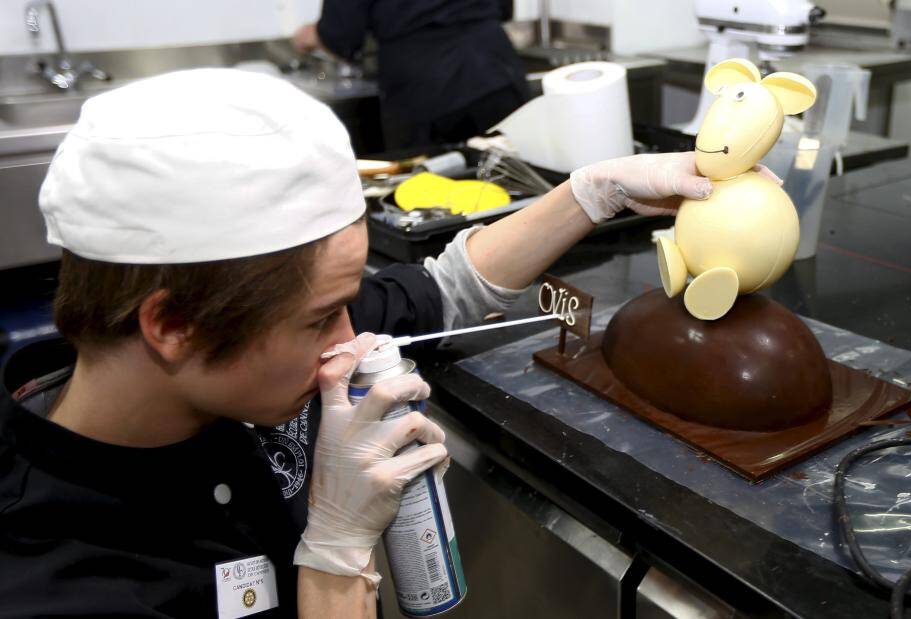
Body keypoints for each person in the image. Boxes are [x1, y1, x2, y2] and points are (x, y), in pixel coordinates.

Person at [0, 68, 771, 618]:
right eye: (321, 318)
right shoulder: (62, 582)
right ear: (171, 326)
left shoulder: (244, 345)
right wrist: (333, 557)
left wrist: (590, 193)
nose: (353, 337)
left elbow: (447, 290)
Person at [291, 0, 529, 149]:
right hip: (496, 70)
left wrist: (311, 35)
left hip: (424, 87)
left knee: (428, 195)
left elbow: (340, 35)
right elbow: (504, 7)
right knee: (515, 184)